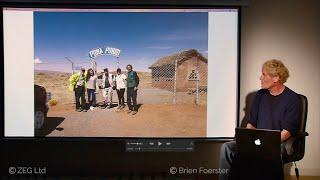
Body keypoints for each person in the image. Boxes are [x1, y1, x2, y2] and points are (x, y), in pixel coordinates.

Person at [219, 59, 301, 180]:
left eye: (264, 74)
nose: (260, 78)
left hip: (278, 143)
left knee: (262, 154)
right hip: (256, 141)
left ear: (276, 78)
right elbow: (252, 122)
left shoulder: (293, 99)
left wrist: (267, 144)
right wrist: (245, 140)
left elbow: (287, 131)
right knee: (227, 148)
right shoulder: (260, 95)